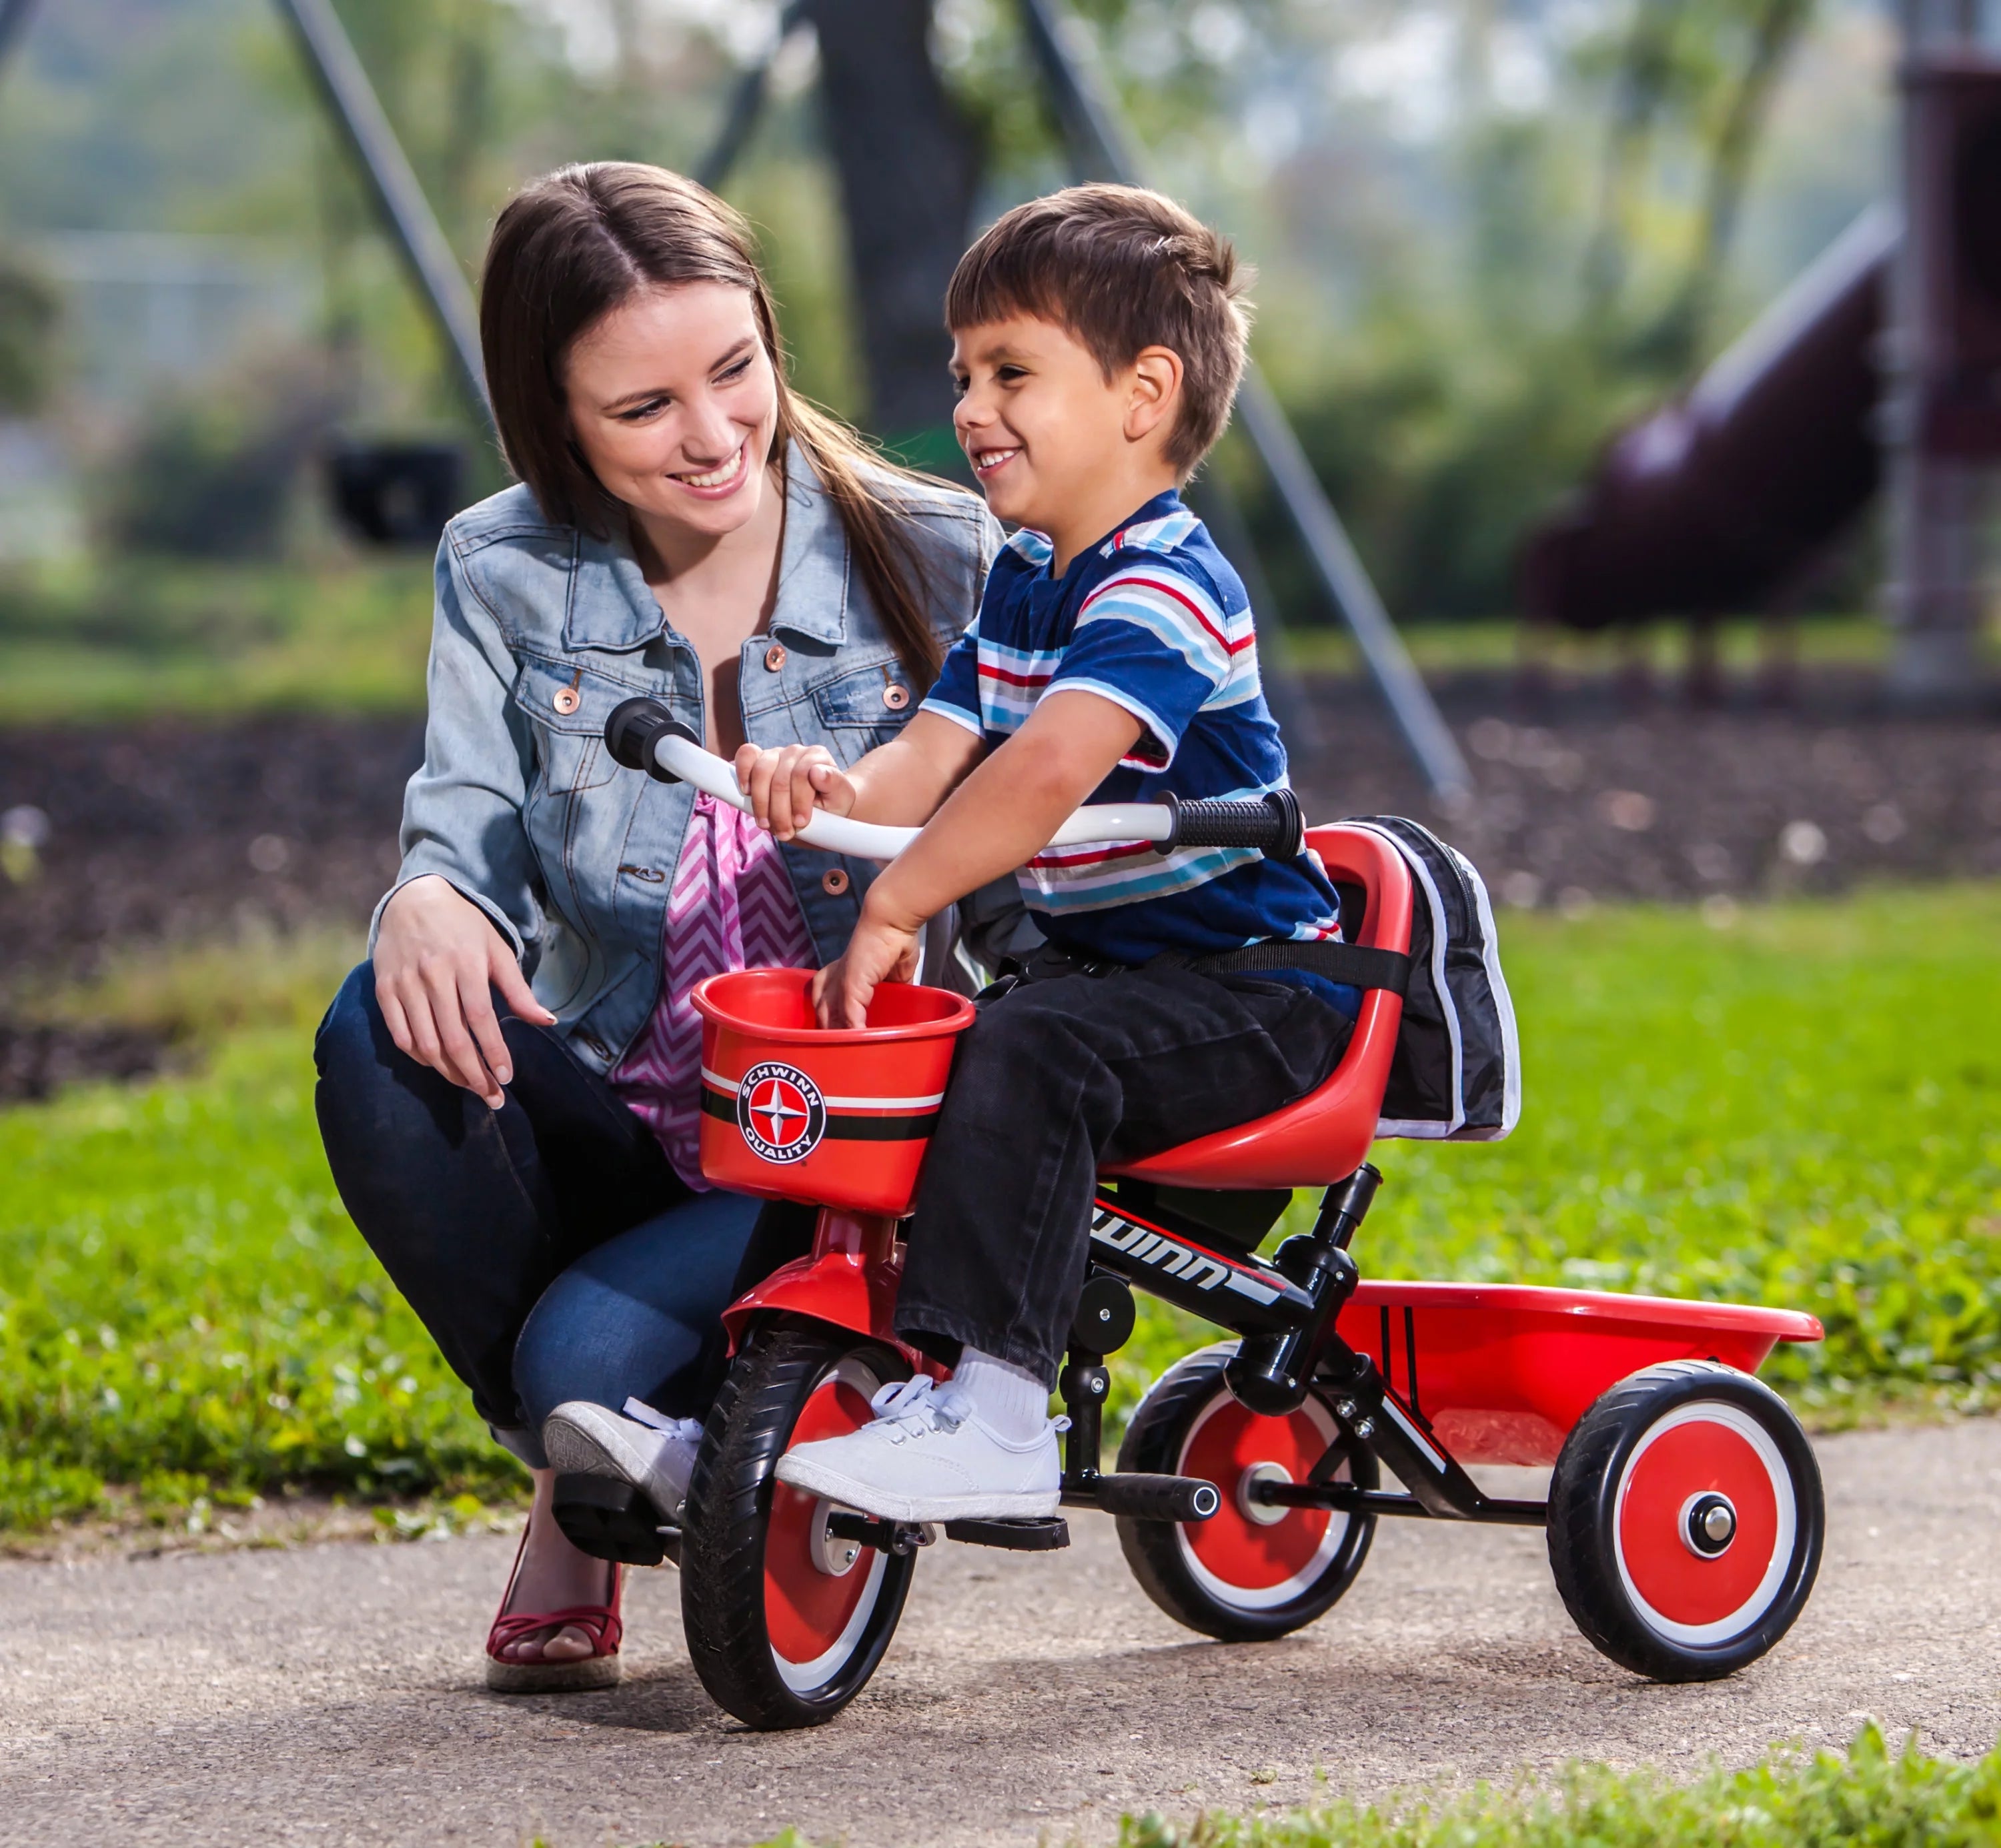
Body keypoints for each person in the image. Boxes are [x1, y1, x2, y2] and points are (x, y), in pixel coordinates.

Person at [311, 162, 1003, 1691]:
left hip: (824, 1141)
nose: (713, 438)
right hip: (622, 1110)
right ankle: (608, 1432)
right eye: (643, 411)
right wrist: (428, 893)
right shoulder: (502, 569)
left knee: (579, 1369)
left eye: (736, 371)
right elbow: (467, 823)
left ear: (767, 332)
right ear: (555, 417)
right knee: (374, 1024)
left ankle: (586, 1460)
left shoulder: (943, 552)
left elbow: (1036, 867)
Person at [734, 182, 1361, 1525]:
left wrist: (902, 894)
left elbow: (1045, 769)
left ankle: (1000, 1413)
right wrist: (828, 790)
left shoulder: (1166, 583)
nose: (968, 405)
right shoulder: (1024, 577)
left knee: (1030, 1049)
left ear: (1145, 395)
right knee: (926, 1061)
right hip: (1116, 986)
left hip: (1261, 994)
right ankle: (764, 1390)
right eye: (963, 372)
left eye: (1011, 369)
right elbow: (935, 754)